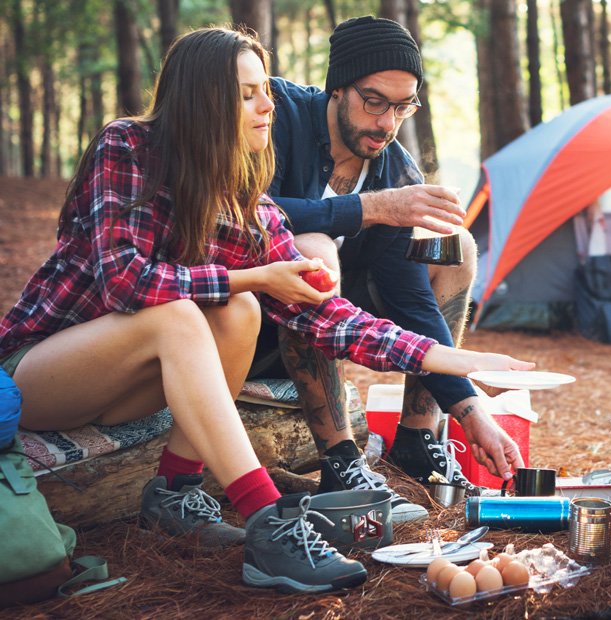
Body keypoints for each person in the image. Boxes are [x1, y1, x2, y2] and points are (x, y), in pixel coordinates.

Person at [0, 27, 532, 593]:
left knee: (241, 311)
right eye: (250, 93)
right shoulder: (129, 144)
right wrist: (254, 275)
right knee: (191, 311)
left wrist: (444, 357)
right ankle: (268, 520)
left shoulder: (238, 188)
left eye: (267, 90)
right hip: (42, 371)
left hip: (131, 384)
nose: (268, 105)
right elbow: (126, 285)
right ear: (205, 98)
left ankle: (174, 495)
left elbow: (322, 313)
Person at [260, 16, 517, 507]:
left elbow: (412, 298)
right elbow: (247, 211)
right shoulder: (277, 115)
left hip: (343, 322)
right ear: (337, 89)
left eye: (403, 107)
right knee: (313, 251)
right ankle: (340, 461)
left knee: (452, 245)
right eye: (373, 101)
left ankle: (418, 440)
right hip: (249, 314)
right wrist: (370, 208)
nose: (386, 123)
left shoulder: (396, 169)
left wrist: (470, 410)